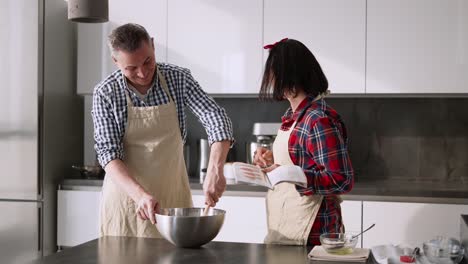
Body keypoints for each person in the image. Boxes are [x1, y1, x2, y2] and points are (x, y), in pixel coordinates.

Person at [92, 23, 233, 237]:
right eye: (131, 68)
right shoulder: (106, 93)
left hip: (173, 199)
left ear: (153, 46)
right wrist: (140, 196)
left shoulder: (178, 78)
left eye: (147, 61)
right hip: (126, 202)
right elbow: (108, 154)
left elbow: (215, 116)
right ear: (116, 62)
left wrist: (215, 169)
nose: (142, 72)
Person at [254, 38, 354, 246]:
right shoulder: (295, 115)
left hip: (313, 233)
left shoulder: (318, 119)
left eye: (273, 73)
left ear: (289, 75)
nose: (270, 80)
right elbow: (303, 159)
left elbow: (341, 179)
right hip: (288, 225)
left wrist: (286, 173)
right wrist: (273, 161)